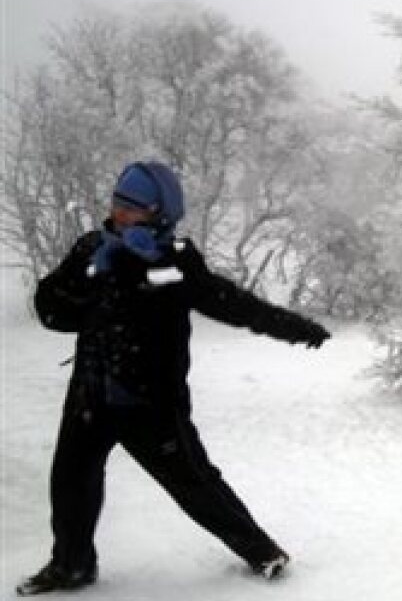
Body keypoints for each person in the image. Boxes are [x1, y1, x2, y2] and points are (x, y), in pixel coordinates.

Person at [16, 161, 331, 597]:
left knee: (194, 484)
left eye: (134, 208)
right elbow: (52, 312)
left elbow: (231, 304)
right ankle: (71, 567)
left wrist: (294, 327)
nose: (121, 215)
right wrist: (89, 276)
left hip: (150, 404)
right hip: (90, 396)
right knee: (70, 483)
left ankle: (263, 552)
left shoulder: (176, 260)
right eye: (117, 204)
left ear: (160, 213)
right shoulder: (92, 248)